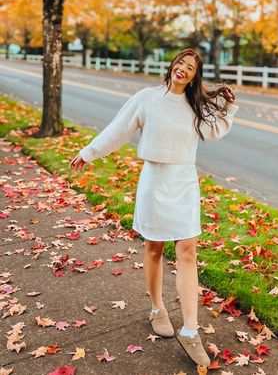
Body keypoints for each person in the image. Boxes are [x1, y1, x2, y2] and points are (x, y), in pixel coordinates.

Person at [69, 48, 239, 367]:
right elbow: (118, 130)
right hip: (154, 181)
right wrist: (89, 152)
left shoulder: (195, 105)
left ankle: (190, 329)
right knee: (154, 250)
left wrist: (228, 106)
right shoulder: (147, 98)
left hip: (184, 181)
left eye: (190, 68)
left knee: (188, 250)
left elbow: (214, 130)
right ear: (172, 65)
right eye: (180, 64)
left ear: (194, 75)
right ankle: (158, 307)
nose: (183, 70)